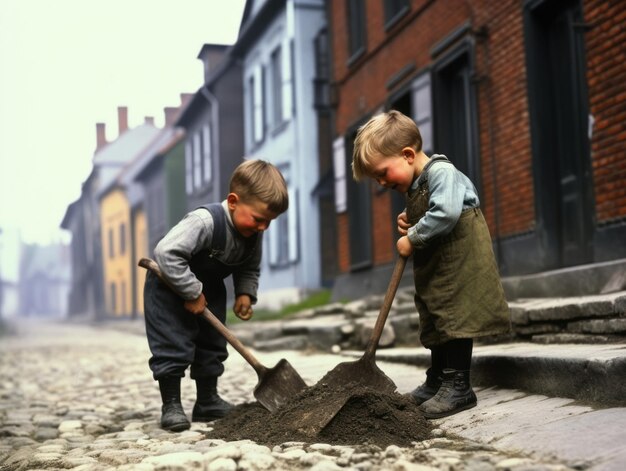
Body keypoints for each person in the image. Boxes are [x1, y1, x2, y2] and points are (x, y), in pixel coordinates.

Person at [352, 110, 510, 419]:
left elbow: (447, 213)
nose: (382, 183)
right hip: (439, 263)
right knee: (437, 316)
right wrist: (410, 219)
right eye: (377, 179)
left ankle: (459, 385)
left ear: (408, 155)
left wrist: (413, 236)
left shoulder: (441, 172)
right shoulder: (419, 181)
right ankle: (438, 378)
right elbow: (431, 209)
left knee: (455, 316)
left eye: (383, 173)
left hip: (459, 260)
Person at [143, 159, 289, 431]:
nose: (263, 228)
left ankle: (207, 401)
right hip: (167, 288)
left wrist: (245, 293)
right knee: (172, 344)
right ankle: (172, 404)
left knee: (212, 344)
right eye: (259, 219)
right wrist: (192, 290)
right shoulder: (204, 222)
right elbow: (166, 253)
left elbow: (250, 265)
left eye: (269, 222)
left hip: (209, 290)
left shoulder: (253, 232)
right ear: (233, 201)